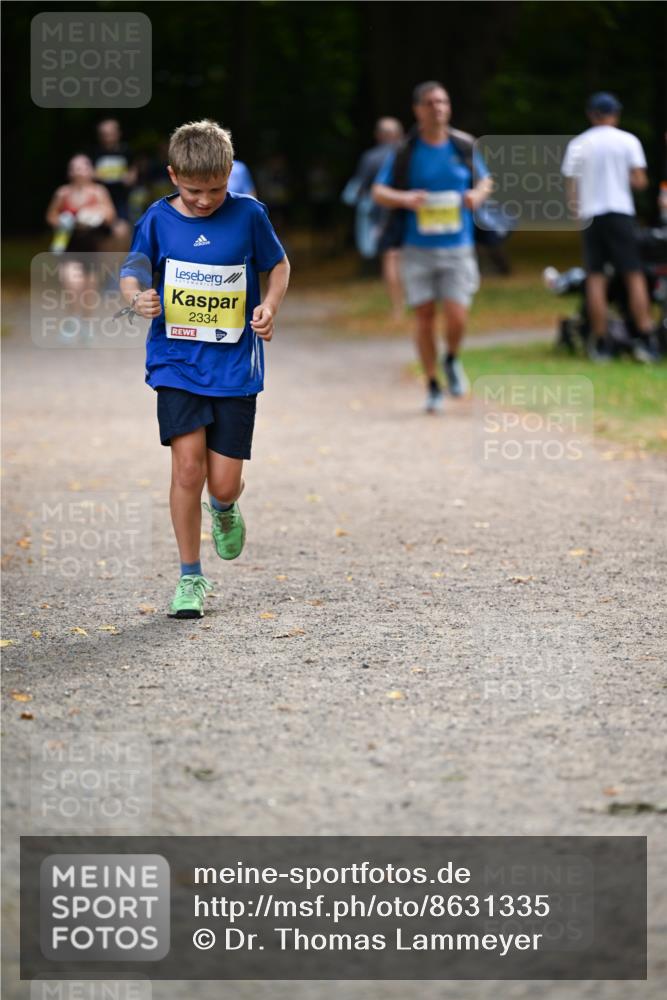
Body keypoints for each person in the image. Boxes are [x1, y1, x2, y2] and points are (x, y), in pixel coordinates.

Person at [119, 120, 290, 619]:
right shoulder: (157, 218)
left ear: (229, 175)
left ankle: (225, 508)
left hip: (235, 364)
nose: (204, 200)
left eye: (216, 189)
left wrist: (271, 305)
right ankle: (190, 577)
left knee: (222, 483)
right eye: (193, 190)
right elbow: (133, 268)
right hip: (176, 362)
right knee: (187, 467)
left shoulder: (249, 215)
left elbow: (277, 265)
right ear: (174, 175)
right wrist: (139, 298)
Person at [372, 82, 493, 413]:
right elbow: (378, 191)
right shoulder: (405, 151)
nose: (438, 107)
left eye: (443, 101)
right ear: (418, 110)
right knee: (424, 316)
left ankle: (451, 358)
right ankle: (433, 384)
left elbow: (485, 181)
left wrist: (476, 196)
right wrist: (406, 199)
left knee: (457, 314)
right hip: (417, 247)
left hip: (458, 246)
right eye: (430, 102)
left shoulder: (464, 145)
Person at [561, 92, 658, 363]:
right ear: (615, 114)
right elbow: (639, 181)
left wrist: (575, 209)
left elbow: (571, 186)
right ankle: (645, 334)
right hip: (620, 212)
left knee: (595, 277)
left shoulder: (579, 144)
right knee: (633, 274)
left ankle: (601, 340)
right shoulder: (628, 141)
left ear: (591, 114)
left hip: (592, 215)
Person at [45, 154, 117, 338]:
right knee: (72, 284)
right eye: (75, 167)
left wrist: (95, 215)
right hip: (70, 247)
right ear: (70, 172)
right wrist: (62, 220)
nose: (79, 171)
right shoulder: (63, 193)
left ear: (91, 171)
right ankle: (73, 320)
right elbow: (51, 216)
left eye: (83, 166)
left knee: (89, 290)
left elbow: (111, 217)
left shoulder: (99, 192)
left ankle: (85, 322)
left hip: (93, 248)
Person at [342, 117, 405, 321]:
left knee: (391, 259)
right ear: (399, 134)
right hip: (413, 212)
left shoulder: (371, 158)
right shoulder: (410, 153)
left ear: (378, 136)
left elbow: (357, 190)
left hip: (384, 217)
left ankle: (398, 308)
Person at [91, 119, 137, 248]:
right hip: (99, 199)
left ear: (118, 133)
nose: (107, 137)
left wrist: (130, 177)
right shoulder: (94, 152)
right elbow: (89, 172)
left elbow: (133, 170)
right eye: (104, 134)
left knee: (123, 230)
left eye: (110, 133)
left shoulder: (126, 150)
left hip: (121, 198)